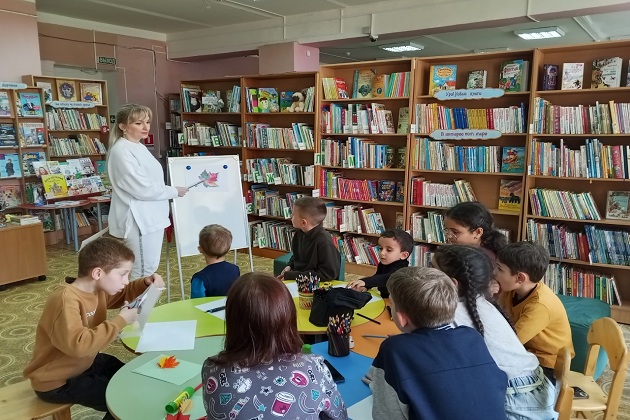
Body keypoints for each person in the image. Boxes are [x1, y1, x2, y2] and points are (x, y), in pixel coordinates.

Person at [23, 237, 164, 420]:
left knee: (133, 378)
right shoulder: (65, 301)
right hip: (57, 381)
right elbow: (79, 346)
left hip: (84, 364)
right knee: (124, 399)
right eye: (123, 274)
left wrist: (144, 283)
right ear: (98, 273)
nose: (126, 281)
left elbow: (122, 294)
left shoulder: (95, 290)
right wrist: (120, 320)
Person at [432, 245, 557, 419]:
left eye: (432, 270)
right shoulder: (481, 301)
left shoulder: (451, 312)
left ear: (452, 283)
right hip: (534, 384)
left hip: (521, 400)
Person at [367, 266, 508, 420]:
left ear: (401, 318)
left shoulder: (394, 350)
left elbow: (386, 415)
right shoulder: (472, 336)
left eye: (392, 304)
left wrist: (377, 386)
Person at [202, 272, 348, 419]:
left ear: (232, 321)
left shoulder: (211, 369)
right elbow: (340, 415)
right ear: (289, 317)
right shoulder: (314, 367)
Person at [107, 104, 188, 279]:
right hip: (139, 220)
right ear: (123, 126)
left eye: (148, 122)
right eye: (138, 123)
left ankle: (144, 298)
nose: (145, 127)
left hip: (152, 218)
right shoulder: (121, 150)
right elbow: (141, 188)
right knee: (143, 272)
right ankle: (139, 299)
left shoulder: (138, 146)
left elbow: (152, 182)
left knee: (149, 268)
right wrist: (173, 191)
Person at [495, 241, 574, 380]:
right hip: (527, 352)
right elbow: (496, 319)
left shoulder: (539, 306)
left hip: (549, 364)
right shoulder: (511, 289)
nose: (494, 273)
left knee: (492, 375)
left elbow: (511, 343)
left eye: (499, 269)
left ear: (520, 278)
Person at [277, 196, 341, 281]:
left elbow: (328, 274)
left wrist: (292, 275)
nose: (291, 216)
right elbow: (296, 256)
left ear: (303, 222)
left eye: (293, 215)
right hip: (300, 278)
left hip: (316, 283)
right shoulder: (299, 233)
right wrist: (289, 265)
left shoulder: (324, 241)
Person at [347, 228, 413, 298]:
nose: (382, 253)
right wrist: (366, 286)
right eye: (380, 248)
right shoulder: (384, 263)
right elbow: (378, 277)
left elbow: (388, 278)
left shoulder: (402, 269)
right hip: (385, 297)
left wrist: (365, 282)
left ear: (403, 255)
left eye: (389, 250)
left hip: (398, 301)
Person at [190, 224, 240, 298]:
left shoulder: (200, 279)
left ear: (200, 249)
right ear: (228, 249)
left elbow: (196, 302)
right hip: (231, 305)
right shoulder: (235, 269)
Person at [443, 201, 508, 256]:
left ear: (478, 232)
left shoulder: (483, 260)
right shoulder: (464, 250)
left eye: (455, 232)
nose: (448, 236)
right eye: (447, 230)